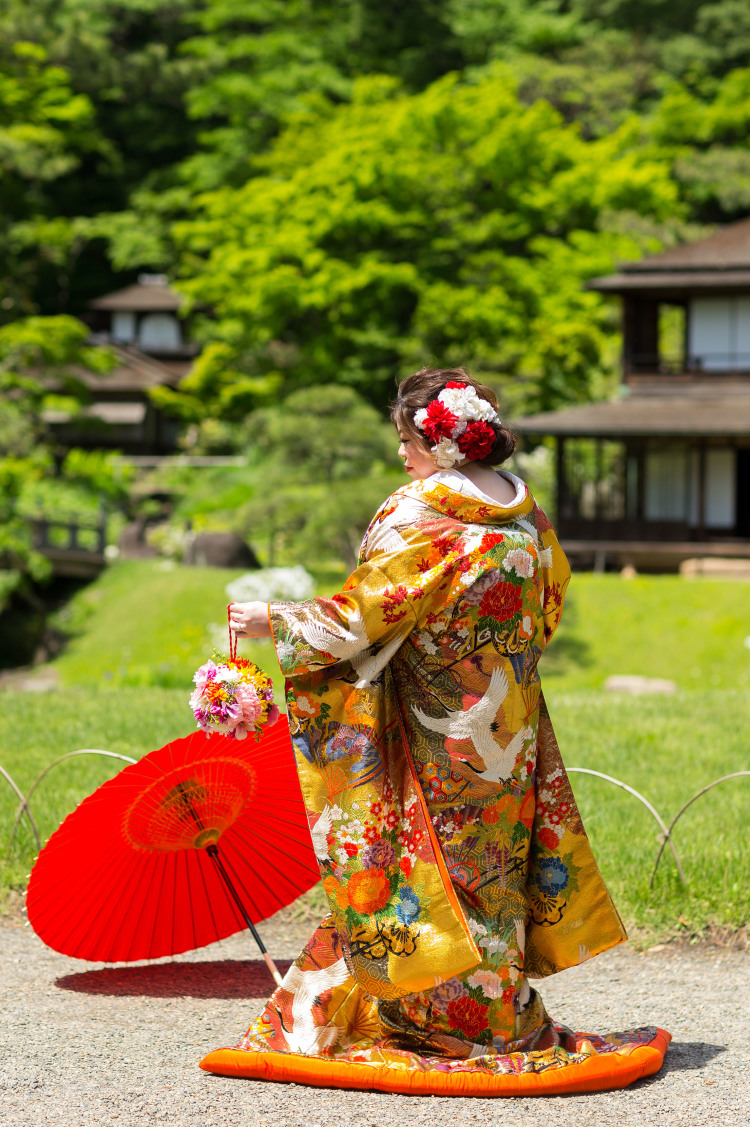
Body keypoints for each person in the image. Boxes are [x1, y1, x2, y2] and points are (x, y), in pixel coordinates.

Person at [201, 367, 669, 1095]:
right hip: (507, 718)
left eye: (405, 440)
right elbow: (548, 599)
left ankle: (428, 1019)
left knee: (429, 859)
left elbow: (367, 612)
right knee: (497, 865)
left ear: (440, 444)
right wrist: (502, 657)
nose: (401, 455)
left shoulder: (419, 512)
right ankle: (497, 1013)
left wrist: (277, 620)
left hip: (434, 718)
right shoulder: (526, 516)